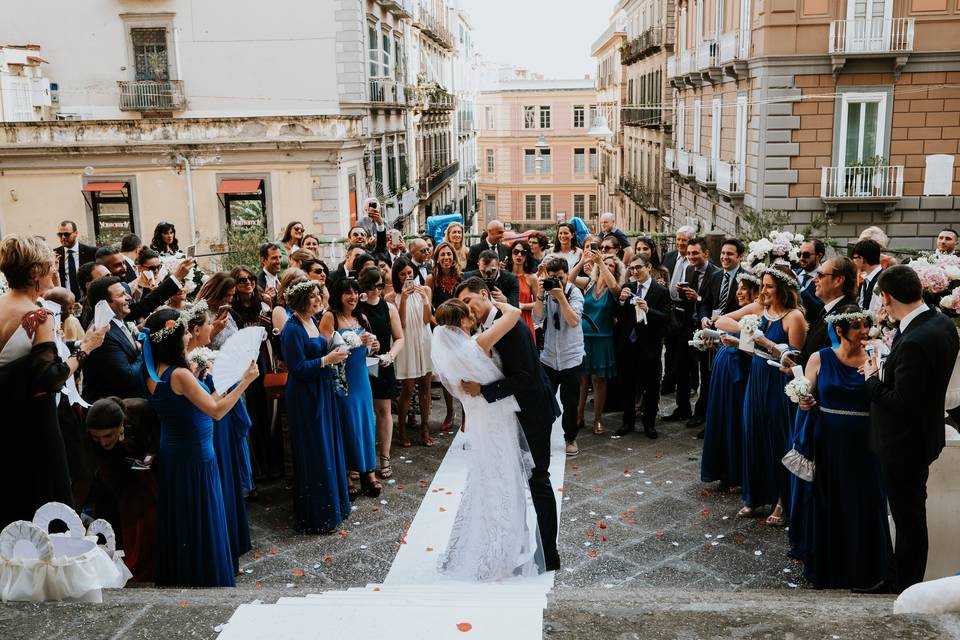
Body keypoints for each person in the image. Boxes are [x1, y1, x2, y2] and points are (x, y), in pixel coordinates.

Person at [140, 308, 258, 587]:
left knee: (183, 517)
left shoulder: (151, 371)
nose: (186, 338)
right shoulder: (180, 374)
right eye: (182, 333)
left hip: (174, 453)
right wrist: (245, 382)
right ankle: (205, 575)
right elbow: (216, 412)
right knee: (202, 518)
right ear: (171, 338)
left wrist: (227, 381)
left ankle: (185, 571)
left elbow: (204, 400)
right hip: (196, 456)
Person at [859, 265, 959, 594]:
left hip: (904, 444)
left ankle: (906, 586)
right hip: (921, 436)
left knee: (908, 518)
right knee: (908, 514)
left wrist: (872, 380)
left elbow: (901, 401)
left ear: (886, 297)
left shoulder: (916, 339)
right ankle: (897, 576)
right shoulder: (940, 323)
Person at [431, 298, 545, 581]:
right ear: (465, 322)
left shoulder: (448, 354)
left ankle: (484, 541)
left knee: (486, 479)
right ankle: (499, 548)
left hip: (481, 422)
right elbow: (515, 313)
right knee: (503, 481)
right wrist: (495, 301)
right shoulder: (476, 344)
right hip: (497, 421)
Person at [455, 278, 561, 571]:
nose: (468, 309)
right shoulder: (489, 325)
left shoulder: (509, 324)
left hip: (533, 412)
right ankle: (519, 547)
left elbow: (526, 377)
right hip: (510, 415)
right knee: (514, 483)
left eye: (468, 301)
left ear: (485, 294)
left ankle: (549, 555)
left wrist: (484, 391)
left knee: (538, 480)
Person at [0, 235, 106, 525]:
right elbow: (49, 377)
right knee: (45, 505)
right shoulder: (39, 315)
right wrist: (85, 348)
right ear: (35, 272)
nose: (54, 273)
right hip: (33, 425)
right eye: (50, 267)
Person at [793, 306, 892, 589]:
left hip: (866, 445)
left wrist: (875, 372)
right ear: (840, 331)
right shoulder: (820, 358)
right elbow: (805, 390)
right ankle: (829, 568)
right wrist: (804, 400)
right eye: (858, 327)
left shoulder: (876, 356)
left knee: (865, 503)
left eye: (866, 326)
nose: (865, 332)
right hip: (828, 443)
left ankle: (866, 569)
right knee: (829, 501)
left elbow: (884, 396)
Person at [716, 265, 806, 525]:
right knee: (752, 434)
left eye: (768, 286)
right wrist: (741, 340)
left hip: (778, 383)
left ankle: (781, 500)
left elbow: (793, 362)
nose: (763, 290)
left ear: (782, 288)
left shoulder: (794, 317)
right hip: (756, 380)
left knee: (778, 438)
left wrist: (763, 340)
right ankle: (754, 495)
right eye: (763, 285)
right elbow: (726, 324)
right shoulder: (760, 312)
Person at [280, 280, 352, 532]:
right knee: (315, 448)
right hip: (304, 395)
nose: (318, 299)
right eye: (312, 296)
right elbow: (297, 368)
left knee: (328, 444)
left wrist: (338, 348)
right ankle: (317, 514)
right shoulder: (292, 329)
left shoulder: (312, 321)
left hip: (321, 389)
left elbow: (322, 348)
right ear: (300, 300)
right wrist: (326, 360)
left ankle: (335, 506)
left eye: (318, 294)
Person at [186, 301, 252, 572]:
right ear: (196, 329)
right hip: (212, 428)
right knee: (220, 485)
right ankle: (222, 550)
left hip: (222, 428)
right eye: (209, 324)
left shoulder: (203, 354)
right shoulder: (190, 364)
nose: (213, 328)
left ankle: (230, 549)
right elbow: (207, 402)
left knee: (227, 483)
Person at [84, 397, 160, 582]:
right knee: (111, 515)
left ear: (121, 425)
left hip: (145, 470)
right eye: (96, 437)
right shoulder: (95, 438)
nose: (102, 442)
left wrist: (146, 462)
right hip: (111, 472)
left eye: (108, 435)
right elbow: (97, 466)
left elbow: (156, 442)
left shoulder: (140, 411)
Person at [319, 277, 381, 497]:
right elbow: (324, 350)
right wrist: (349, 343)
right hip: (342, 378)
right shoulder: (330, 318)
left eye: (355, 292)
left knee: (366, 423)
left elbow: (371, 349)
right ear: (339, 295)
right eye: (348, 293)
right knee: (347, 424)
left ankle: (368, 472)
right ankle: (346, 473)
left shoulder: (361, 317)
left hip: (361, 377)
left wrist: (373, 345)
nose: (353, 296)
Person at [699, 273, 762, 486]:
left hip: (744, 368)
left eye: (744, 288)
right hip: (726, 362)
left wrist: (745, 337)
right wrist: (745, 330)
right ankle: (723, 468)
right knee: (722, 415)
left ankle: (737, 471)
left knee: (737, 417)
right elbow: (721, 321)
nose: (739, 292)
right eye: (738, 288)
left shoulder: (759, 308)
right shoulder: (748, 310)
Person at [690, 238, 746, 431]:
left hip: (731, 339)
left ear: (739, 256)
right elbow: (704, 301)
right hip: (710, 334)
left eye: (730, 254)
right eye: (723, 253)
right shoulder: (714, 276)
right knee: (707, 377)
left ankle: (722, 423)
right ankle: (705, 418)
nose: (725, 257)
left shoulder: (745, 279)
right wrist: (704, 318)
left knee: (725, 382)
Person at [614, 254, 671, 439]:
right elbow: (619, 315)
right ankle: (627, 421)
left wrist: (648, 310)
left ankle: (649, 424)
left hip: (649, 346)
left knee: (651, 386)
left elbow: (666, 318)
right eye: (632, 268)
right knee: (627, 385)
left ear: (649, 267)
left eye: (639, 267)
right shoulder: (628, 287)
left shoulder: (660, 291)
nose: (635, 271)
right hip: (629, 345)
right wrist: (621, 301)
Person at [356, 266, 405, 479]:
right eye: (370, 286)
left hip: (383, 363)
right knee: (363, 413)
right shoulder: (355, 307)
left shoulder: (389, 308)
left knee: (384, 411)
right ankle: (361, 460)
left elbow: (400, 338)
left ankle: (384, 457)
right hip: (359, 364)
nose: (375, 290)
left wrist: (390, 356)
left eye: (379, 286)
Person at [533, 257, 584, 456]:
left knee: (570, 402)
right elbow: (537, 318)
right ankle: (541, 436)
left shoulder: (575, 293)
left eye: (560, 278)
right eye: (552, 278)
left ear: (566, 274)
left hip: (571, 356)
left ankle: (570, 437)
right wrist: (539, 295)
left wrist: (561, 297)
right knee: (544, 400)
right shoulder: (545, 292)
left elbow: (573, 321)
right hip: (549, 356)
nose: (556, 282)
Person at [229, 265, 274, 491]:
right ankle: (255, 469)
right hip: (241, 363)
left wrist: (269, 326)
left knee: (265, 410)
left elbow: (272, 336)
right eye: (242, 280)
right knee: (250, 413)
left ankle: (269, 464)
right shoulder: (231, 310)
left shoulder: (263, 305)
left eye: (251, 279)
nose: (248, 283)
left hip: (261, 358)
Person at [570, 248, 622, 435]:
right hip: (584, 337)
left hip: (603, 339)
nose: (607, 266)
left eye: (611, 266)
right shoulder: (588, 283)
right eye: (605, 263)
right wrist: (582, 260)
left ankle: (598, 419)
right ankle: (578, 416)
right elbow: (569, 280)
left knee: (598, 380)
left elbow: (615, 288)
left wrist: (601, 263)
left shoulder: (614, 287)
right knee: (582, 380)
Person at [666, 237, 718, 422]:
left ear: (706, 253)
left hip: (705, 329)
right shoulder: (689, 269)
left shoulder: (716, 274)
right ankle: (682, 409)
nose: (691, 256)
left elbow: (714, 304)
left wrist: (697, 298)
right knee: (682, 368)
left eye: (695, 253)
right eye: (688, 253)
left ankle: (701, 413)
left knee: (705, 372)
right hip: (686, 326)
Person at [390, 256, 434, 447]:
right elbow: (401, 324)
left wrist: (425, 299)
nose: (407, 276)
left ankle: (425, 428)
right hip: (406, 342)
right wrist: (404, 299)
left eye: (409, 273)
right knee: (407, 389)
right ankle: (401, 428)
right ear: (396, 276)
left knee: (426, 387)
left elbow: (426, 320)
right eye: (402, 274)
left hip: (424, 340)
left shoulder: (425, 289)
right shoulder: (391, 297)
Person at [81, 276, 144, 403]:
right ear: (104, 304)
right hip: (112, 411)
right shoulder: (103, 333)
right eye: (121, 295)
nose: (129, 297)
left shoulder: (117, 322)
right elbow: (128, 378)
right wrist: (144, 351)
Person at [797, 257, 859, 367]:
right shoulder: (830, 308)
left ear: (838, 280)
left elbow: (835, 363)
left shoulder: (846, 315)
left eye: (820, 275)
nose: (814, 279)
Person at [427, 242, 462, 432]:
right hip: (440, 329)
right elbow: (428, 307)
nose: (446, 258)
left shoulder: (461, 277)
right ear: (437, 258)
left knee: (465, 372)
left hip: (461, 329)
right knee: (446, 374)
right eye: (442, 255)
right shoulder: (431, 279)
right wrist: (439, 326)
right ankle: (450, 412)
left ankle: (466, 414)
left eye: (449, 254)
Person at [55, 220, 97, 299]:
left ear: (76, 233)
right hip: (65, 300)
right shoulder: (55, 254)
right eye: (60, 235)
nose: (63, 237)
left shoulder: (91, 252)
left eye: (66, 234)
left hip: (87, 299)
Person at [505, 239, 538, 337]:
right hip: (506, 320)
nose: (519, 255)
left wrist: (522, 305)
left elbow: (538, 303)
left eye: (523, 253)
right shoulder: (504, 275)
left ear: (527, 256)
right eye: (516, 252)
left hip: (525, 319)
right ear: (511, 254)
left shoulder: (532, 278)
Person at [796, 239, 826, 319]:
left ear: (819, 256)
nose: (801, 258)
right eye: (799, 254)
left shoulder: (825, 277)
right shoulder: (795, 274)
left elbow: (821, 309)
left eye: (806, 255)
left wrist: (800, 288)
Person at [852, 238, 883, 313]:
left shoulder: (881, 281)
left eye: (854, 257)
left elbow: (875, 311)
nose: (853, 261)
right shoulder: (866, 278)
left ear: (861, 259)